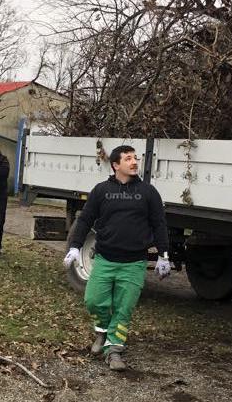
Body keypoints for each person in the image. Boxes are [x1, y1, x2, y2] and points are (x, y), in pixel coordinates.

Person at [63, 145, 171, 372]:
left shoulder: (148, 192)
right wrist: (75, 247)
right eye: (128, 158)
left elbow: (159, 224)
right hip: (105, 259)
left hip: (134, 263)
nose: (134, 162)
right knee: (93, 300)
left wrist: (163, 255)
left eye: (135, 158)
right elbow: (85, 220)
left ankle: (114, 350)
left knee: (124, 308)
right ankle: (102, 332)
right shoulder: (101, 191)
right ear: (115, 165)